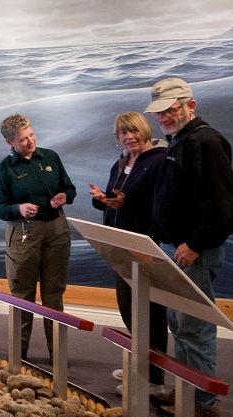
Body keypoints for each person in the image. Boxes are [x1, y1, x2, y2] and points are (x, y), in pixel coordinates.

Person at [144, 77, 233, 417]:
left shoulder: (206, 143)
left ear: (191, 105)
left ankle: (202, 401)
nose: (165, 117)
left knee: (194, 325)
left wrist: (196, 244)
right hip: (181, 248)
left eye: (171, 110)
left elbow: (226, 208)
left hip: (194, 251)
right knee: (180, 323)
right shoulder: (181, 141)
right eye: (160, 113)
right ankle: (188, 387)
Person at [88, 112, 170, 393]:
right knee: (129, 310)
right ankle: (140, 364)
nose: (128, 137)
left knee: (150, 313)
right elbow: (116, 200)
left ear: (144, 130)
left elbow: (160, 207)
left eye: (132, 131)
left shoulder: (159, 161)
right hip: (119, 248)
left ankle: (154, 380)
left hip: (145, 248)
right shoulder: (121, 163)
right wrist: (103, 200)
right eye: (123, 133)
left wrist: (126, 206)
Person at [0, 114, 75, 361]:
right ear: (10, 143)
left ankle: (58, 355)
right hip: (24, 233)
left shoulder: (50, 157)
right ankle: (19, 353)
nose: (30, 141)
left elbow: (70, 189)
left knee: (54, 294)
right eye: (23, 139)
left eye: (31, 135)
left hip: (57, 229)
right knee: (22, 294)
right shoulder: (4, 170)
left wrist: (64, 197)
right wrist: (18, 209)